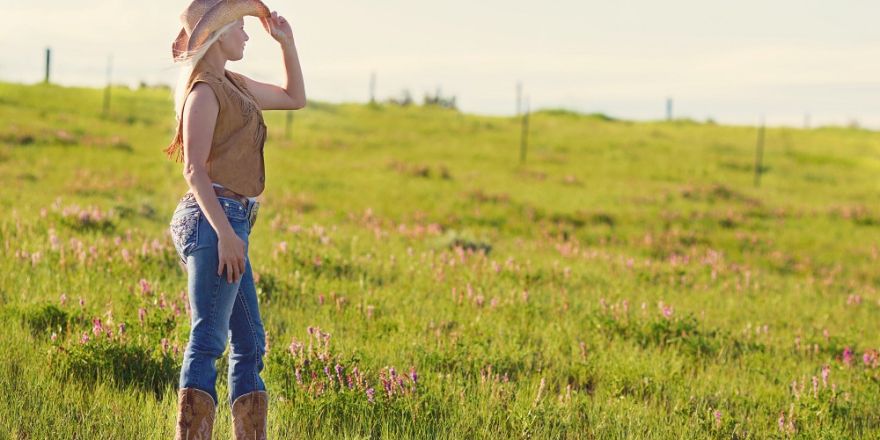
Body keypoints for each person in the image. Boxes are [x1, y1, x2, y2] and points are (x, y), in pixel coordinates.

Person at [164, 0, 305, 438]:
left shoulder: (233, 83)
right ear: (219, 37)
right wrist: (225, 235)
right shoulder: (203, 91)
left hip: (232, 221)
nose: (247, 35)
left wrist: (288, 43)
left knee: (250, 343)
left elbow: (294, 98)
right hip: (214, 221)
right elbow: (194, 170)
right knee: (208, 341)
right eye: (240, 28)